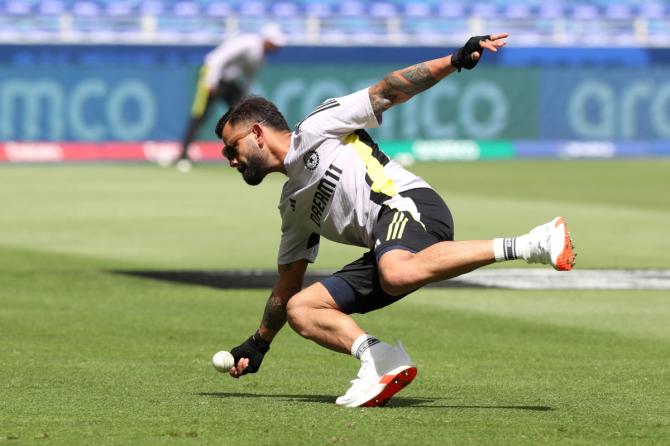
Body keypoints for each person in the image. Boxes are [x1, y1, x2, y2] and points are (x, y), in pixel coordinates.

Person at [215, 33, 576, 407]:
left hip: (409, 206)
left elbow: (388, 90)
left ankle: (532, 242)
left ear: (257, 132)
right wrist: (259, 343)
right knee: (302, 309)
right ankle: (380, 359)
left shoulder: (318, 127)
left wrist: (454, 60)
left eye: (232, 146)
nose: (230, 158)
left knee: (396, 271)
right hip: (390, 246)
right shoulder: (291, 206)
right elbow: (287, 284)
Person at [175, 23, 287, 172]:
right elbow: (218, 58)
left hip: (228, 82)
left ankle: (250, 156)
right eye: (275, 43)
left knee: (244, 115)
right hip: (211, 74)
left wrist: (246, 100)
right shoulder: (248, 43)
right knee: (199, 114)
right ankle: (182, 155)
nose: (277, 48)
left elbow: (248, 79)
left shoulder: (260, 58)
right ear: (267, 40)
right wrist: (210, 81)